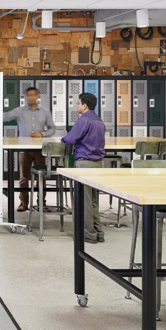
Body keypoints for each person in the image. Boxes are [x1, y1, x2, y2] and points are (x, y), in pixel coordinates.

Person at [61, 93, 106, 244]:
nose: (76, 105)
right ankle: (98, 232)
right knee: (93, 200)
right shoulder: (99, 120)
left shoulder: (84, 120)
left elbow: (71, 138)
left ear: (84, 105)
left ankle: (88, 234)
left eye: (78, 103)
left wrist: (62, 139)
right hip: (97, 164)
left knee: (85, 201)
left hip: (84, 163)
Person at [3, 87, 56, 212]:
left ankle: (42, 203)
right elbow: (5, 117)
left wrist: (42, 134)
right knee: (23, 177)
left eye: (33, 95)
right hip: (24, 148)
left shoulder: (45, 111)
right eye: (29, 95)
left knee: (41, 177)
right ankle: (23, 202)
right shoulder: (20, 111)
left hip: (39, 149)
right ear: (26, 97)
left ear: (38, 97)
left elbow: (52, 129)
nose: (31, 97)